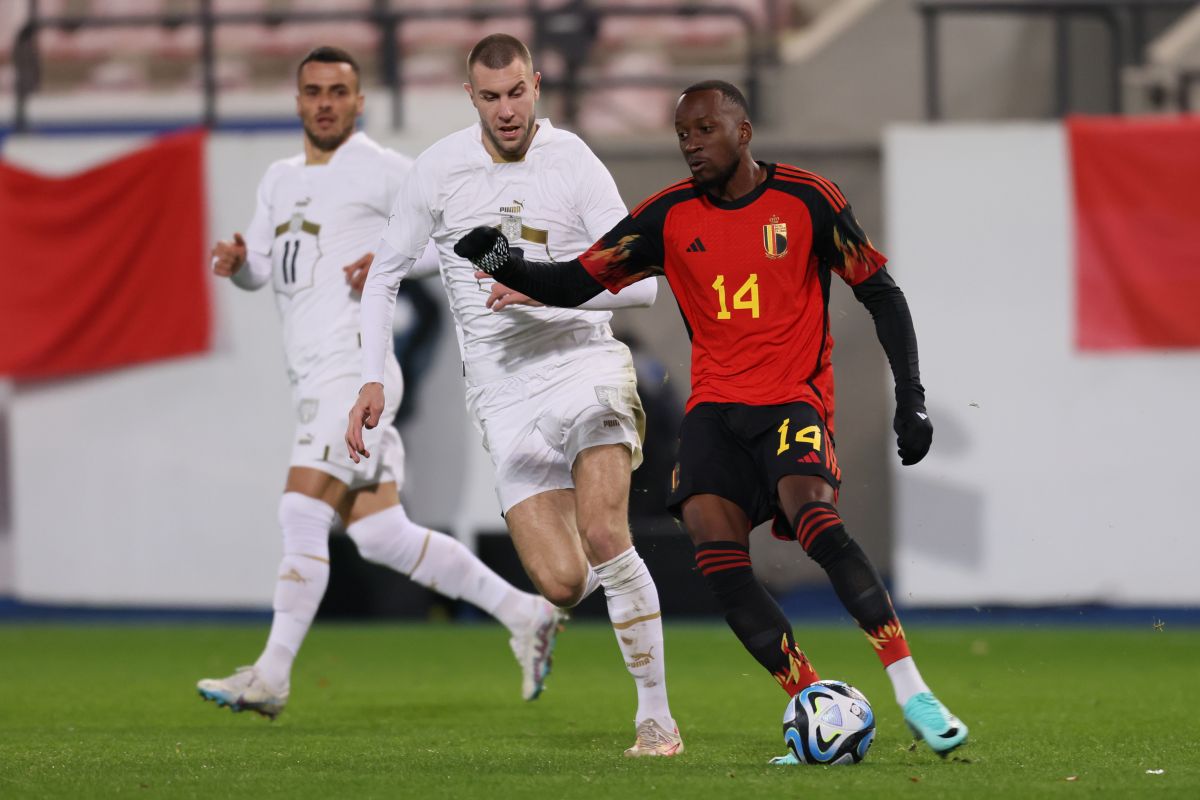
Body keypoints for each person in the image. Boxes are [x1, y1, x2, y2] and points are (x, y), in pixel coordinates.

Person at [453, 80, 969, 760]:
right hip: (715, 413)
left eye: (704, 130)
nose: (691, 145)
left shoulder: (810, 200)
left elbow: (881, 293)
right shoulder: (668, 217)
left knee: (814, 520)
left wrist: (912, 396)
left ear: (744, 131)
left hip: (792, 400)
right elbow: (577, 280)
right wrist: (502, 260)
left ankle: (912, 690)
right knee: (717, 560)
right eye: (682, 135)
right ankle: (812, 698)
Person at [199, 46, 563, 720]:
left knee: (300, 509)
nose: (326, 102)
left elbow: (453, 234)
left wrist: (398, 263)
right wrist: (241, 263)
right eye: (314, 90)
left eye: (339, 90)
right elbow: (262, 268)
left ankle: (271, 676)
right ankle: (525, 612)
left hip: (356, 371)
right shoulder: (278, 181)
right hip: (309, 375)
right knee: (380, 535)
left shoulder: (385, 171)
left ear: (358, 101)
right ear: (299, 100)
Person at [345, 34, 683, 757]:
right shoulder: (439, 170)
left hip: (583, 368)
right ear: (472, 97)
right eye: (491, 97)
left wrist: (545, 291)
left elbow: (647, 285)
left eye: (517, 93)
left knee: (603, 533)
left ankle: (656, 718)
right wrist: (371, 377)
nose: (506, 109)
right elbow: (383, 275)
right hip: (503, 397)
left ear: (538, 86)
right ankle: (607, 597)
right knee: (562, 584)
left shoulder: (574, 163)